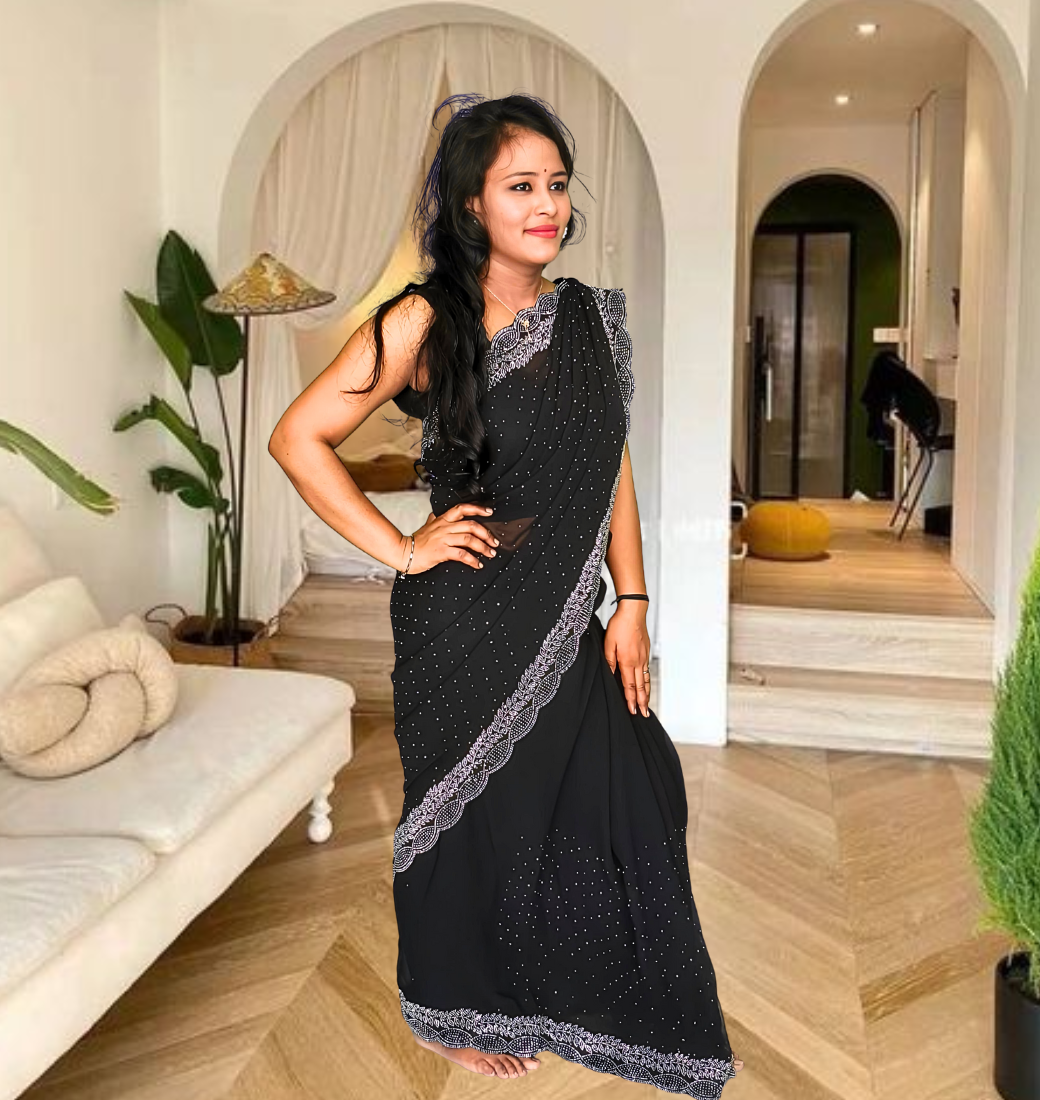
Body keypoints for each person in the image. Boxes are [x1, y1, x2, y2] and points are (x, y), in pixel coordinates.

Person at [268, 92, 741, 1097]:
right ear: (471, 203)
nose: (546, 205)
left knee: (629, 792)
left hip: (569, 615)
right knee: (470, 818)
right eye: (520, 185)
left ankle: (558, 991)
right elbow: (298, 438)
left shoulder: (589, 318)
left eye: (557, 184)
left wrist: (634, 604)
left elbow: (609, 467)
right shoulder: (423, 320)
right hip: (463, 618)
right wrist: (403, 549)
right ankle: (450, 1006)